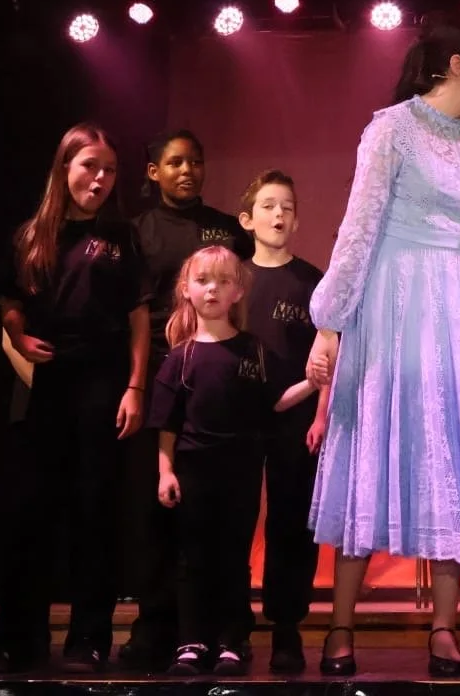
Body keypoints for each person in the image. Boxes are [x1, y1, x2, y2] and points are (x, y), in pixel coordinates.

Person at [304, 13, 460, 678]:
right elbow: (357, 231)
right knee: (375, 447)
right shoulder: (392, 130)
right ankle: (341, 625)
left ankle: (443, 626)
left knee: (452, 453)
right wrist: (330, 319)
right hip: (396, 303)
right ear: (454, 64)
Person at [0, 124, 150, 674]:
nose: (99, 178)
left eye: (109, 170)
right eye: (89, 166)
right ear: (64, 168)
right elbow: (9, 301)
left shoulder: (122, 236)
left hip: (102, 380)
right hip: (45, 383)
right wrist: (17, 331)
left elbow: (138, 317)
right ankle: (15, 639)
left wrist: (135, 386)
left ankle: (88, 637)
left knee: (94, 511)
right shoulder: (32, 234)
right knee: (30, 513)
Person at [149, 245, 319, 676]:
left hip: (240, 473)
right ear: (186, 289)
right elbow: (167, 423)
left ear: (238, 292)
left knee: (233, 555)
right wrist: (166, 472)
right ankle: (191, 640)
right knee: (192, 556)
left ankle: (231, 639)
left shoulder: (253, 351)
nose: (213, 289)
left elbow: (276, 402)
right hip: (192, 473)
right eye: (203, 281)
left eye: (223, 282)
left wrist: (314, 382)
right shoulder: (180, 356)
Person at [123, 129, 252, 669]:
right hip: (155, 371)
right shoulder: (137, 231)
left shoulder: (224, 229)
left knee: (217, 527)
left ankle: (224, 632)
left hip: (216, 377)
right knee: (156, 512)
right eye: (175, 162)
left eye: (196, 162)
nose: (187, 171)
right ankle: (157, 626)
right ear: (154, 172)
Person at [237, 170, 330, 672]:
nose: (279, 214)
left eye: (288, 207)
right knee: (234, 519)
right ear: (247, 219)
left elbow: (328, 359)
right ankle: (231, 625)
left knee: (292, 521)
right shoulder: (232, 277)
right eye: (269, 205)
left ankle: (287, 626)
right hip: (239, 420)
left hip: (297, 418)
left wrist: (320, 415)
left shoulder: (312, 283)